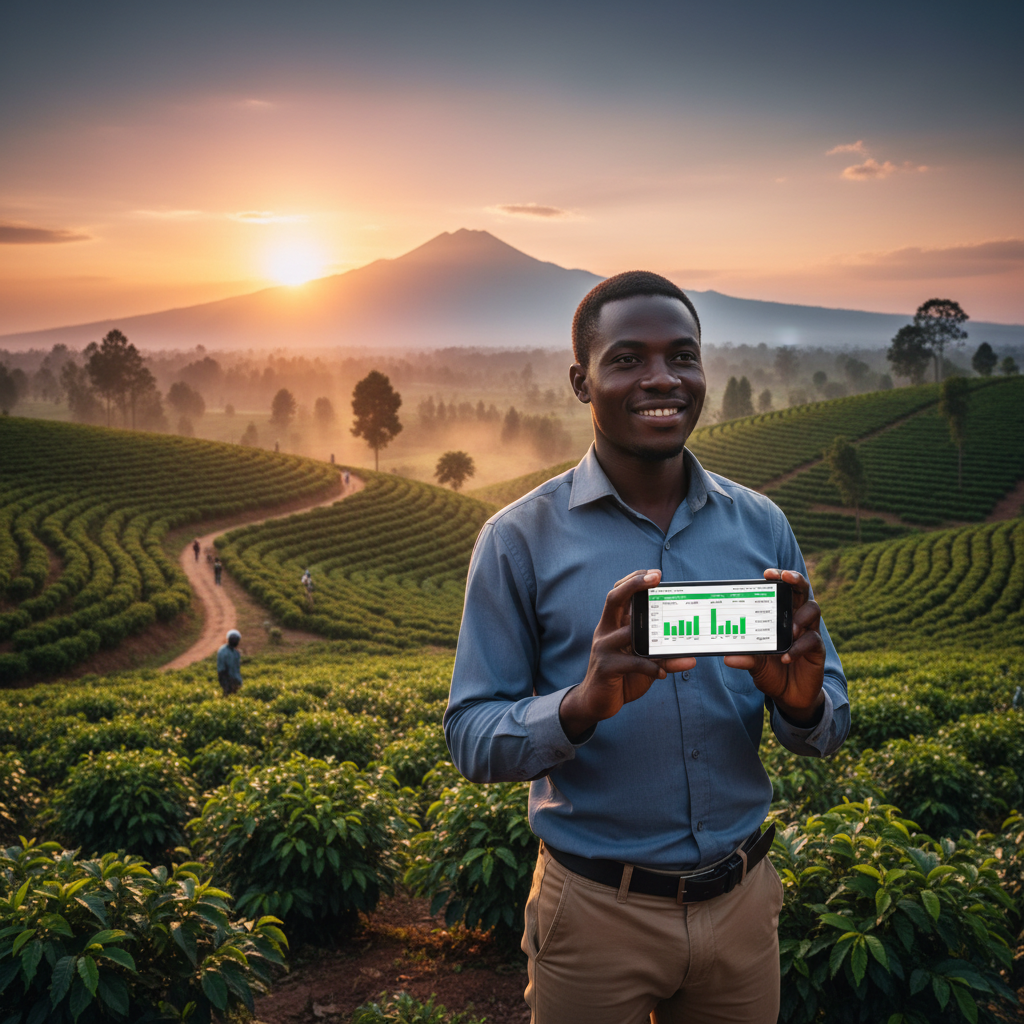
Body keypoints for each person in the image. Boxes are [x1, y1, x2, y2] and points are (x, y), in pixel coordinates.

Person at [444, 272, 850, 1024]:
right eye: (628, 359)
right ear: (581, 381)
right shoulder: (518, 542)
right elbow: (470, 736)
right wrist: (578, 706)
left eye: (682, 357)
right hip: (596, 911)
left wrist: (799, 703)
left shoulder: (761, 527)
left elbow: (828, 720)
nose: (661, 379)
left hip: (742, 905)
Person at [216, 629, 243, 695]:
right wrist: (226, 685)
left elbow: (237, 669)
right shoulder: (223, 651)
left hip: (236, 681)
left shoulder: (236, 652)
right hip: (228, 681)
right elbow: (221, 670)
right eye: (233, 639)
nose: (235, 641)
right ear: (228, 640)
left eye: (236, 639)